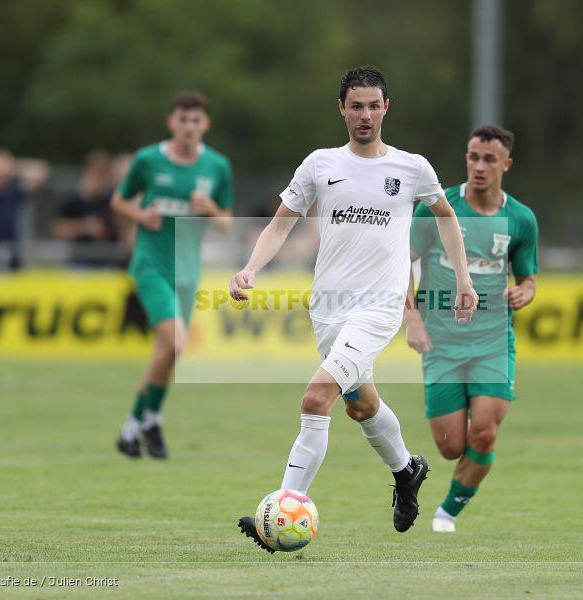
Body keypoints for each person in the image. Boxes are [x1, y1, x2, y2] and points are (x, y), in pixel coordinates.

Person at [230, 65, 478, 552]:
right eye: (356, 105)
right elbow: (281, 224)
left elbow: (446, 217)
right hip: (328, 307)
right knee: (361, 406)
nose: (365, 115)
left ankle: (282, 510)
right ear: (341, 109)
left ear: (387, 108)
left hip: (378, 307)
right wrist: (250, 268)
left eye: (373, 105)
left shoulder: (412, 168)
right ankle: (408, 470)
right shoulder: (320, 164)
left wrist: (464, 277)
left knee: (315, 399)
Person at [406, 125, 539, 533]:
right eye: (473, 157)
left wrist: (524, 292)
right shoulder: (437, 207)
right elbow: (401, 265)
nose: (479, 166)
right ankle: (452, 475)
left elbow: (528, 278)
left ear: (506, 165)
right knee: (450, 447)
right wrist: (412, 317)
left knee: (484, 433)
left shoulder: (520, 219)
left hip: (492, 340)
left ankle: (447, 513)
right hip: (441, 341)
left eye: (489, 160)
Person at [111, 91, 234, 459]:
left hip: (187, 270)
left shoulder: (217, 166)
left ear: (205, 125)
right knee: (177, 342)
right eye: (182, 119)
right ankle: (145, 420)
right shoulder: (148, 160)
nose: (188, 127)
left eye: (196, 120)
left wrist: (210, 208)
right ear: (171, 123)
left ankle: (137, 424)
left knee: (168, 350)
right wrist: (139, 217)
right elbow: (119, 201)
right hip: (151, 265)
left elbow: (227, 223)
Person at [54, 150, 123, 269]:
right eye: (96, 173)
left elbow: (121, 229)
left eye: (103, 175)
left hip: (108, 261)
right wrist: (85, 227)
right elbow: (59, 230)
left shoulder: (112, 200)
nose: (99, 179)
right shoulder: (72, 200)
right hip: (80, 262)